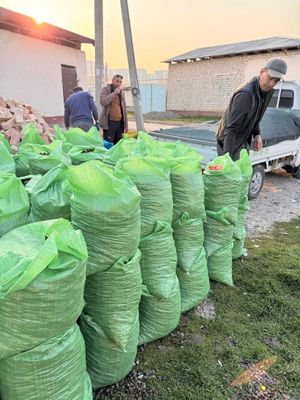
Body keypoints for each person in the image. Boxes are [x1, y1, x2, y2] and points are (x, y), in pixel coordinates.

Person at [216, 58, 287, 161]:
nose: (272, 83)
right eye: (270, 78)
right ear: (262, 71)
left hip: (242, 140)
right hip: (228, 144)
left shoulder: (265, 92)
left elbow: (256, 116)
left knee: (242, 173)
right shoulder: (245, 95)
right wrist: (227, 158)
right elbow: (231, 129)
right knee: (230, 175)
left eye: (276, 80)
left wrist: (257, 134)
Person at [99, 74, 128, 144]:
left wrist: (126, 125)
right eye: (117, 81)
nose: (118, 83)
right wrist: (114, 93)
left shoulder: (121, 93)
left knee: (118, 145)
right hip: (110, 123)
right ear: (112, 80)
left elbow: (124, 110)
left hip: (120, 124)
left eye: (120, 82)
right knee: (108, 146)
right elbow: (103, 102)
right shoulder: (105, 90)